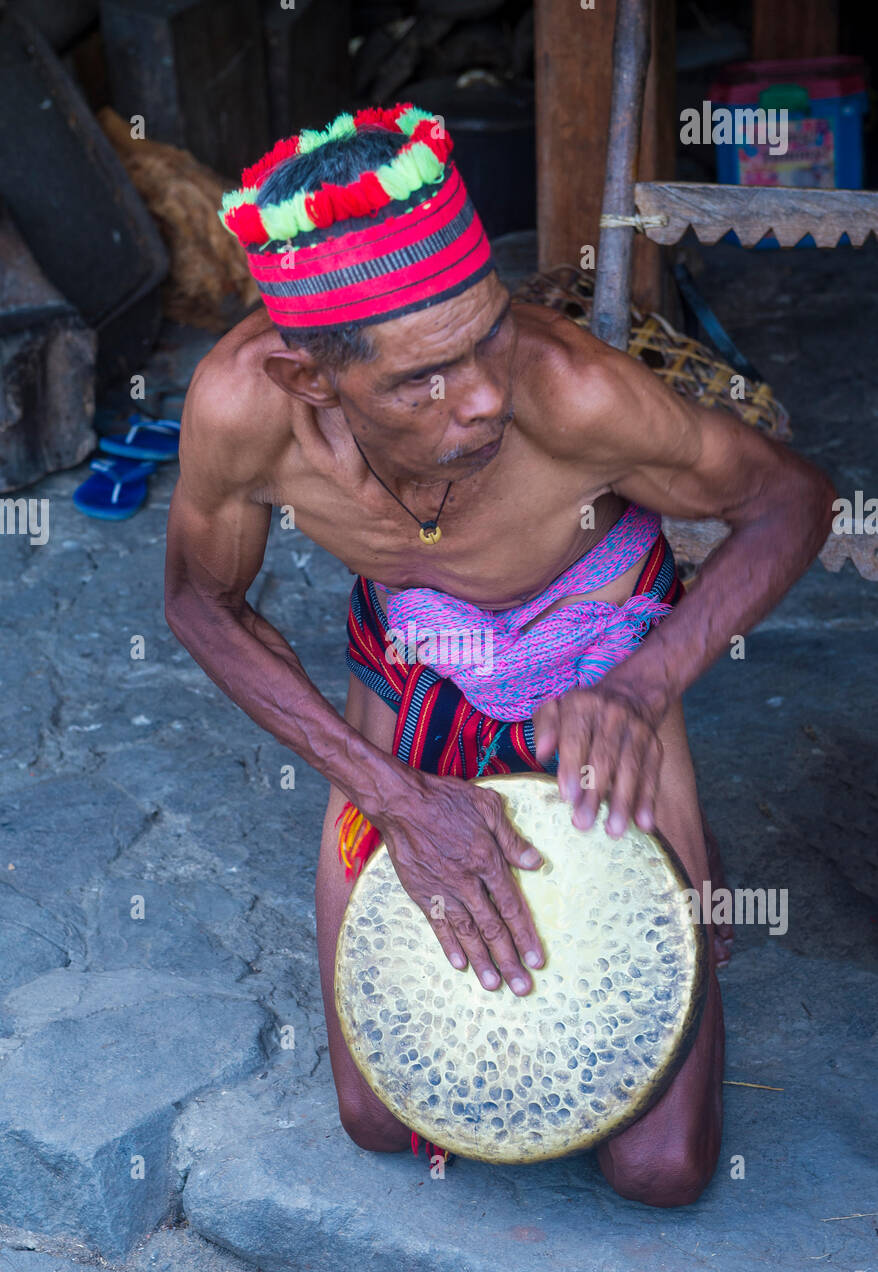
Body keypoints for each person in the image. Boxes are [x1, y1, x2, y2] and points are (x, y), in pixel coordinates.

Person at [164, 106, 834, 1206]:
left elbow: (791, 500)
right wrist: (392, 796)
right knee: (380, 1116)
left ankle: (675, 839)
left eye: (486, 334)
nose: (480, 394)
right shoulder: (244, 410)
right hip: (417, 673)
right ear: (311, 382)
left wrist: (642, 685)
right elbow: (198, 598)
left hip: (598, 669)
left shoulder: (569, 391)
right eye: (422, 380)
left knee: (657, 1169)